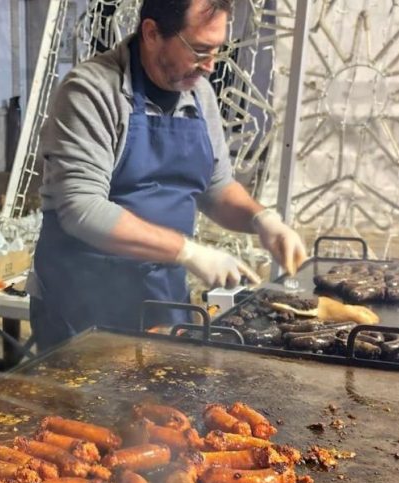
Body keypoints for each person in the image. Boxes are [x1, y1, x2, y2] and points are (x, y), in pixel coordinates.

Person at [30, 0, 307, 349]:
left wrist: (261, 219)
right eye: (200, 50)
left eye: (217, 51)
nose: (209, 66)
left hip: (162, 300)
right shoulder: (90, 91)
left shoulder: (198, 93)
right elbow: (82, 209)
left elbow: (216, 186)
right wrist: (189, 252)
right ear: (151, 33)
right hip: (84, 306)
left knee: (169, 400)